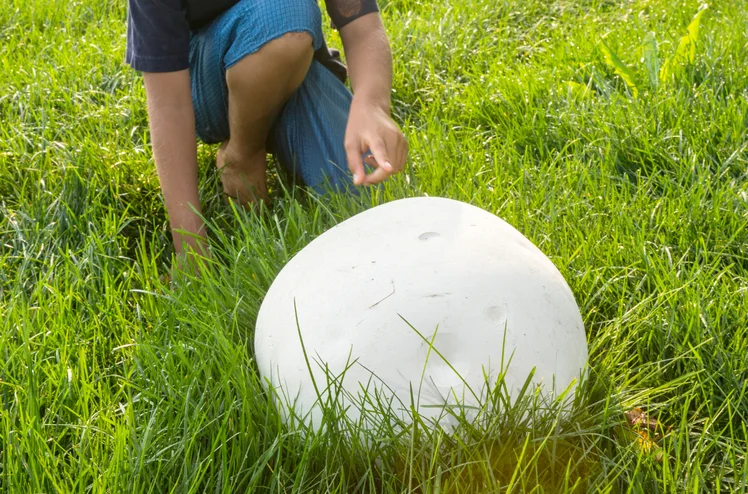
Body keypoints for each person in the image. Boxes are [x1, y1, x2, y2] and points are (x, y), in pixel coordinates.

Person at [126, 0, 408, 261]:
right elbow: (169, 104)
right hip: (206, 81)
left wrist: (371, 106)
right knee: (285, 10)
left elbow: (361, 25)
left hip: (296, 63)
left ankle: (264, 125)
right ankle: (243, 155)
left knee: (369, 204)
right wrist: (190, 248)